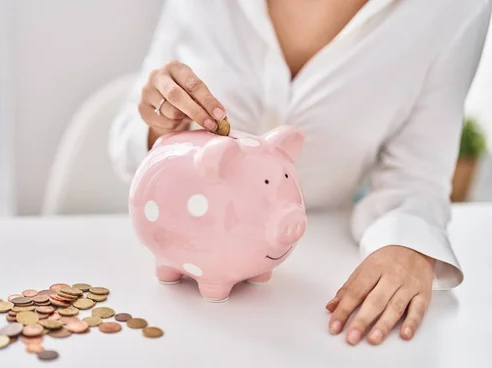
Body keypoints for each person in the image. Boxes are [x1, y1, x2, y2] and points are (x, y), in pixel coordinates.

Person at [109, 0, 491, 345]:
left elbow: (415, 175)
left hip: (316, 275)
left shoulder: (454, 9)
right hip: (176, 276)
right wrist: (160, 124)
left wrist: (407, 244)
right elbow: (129, 136)